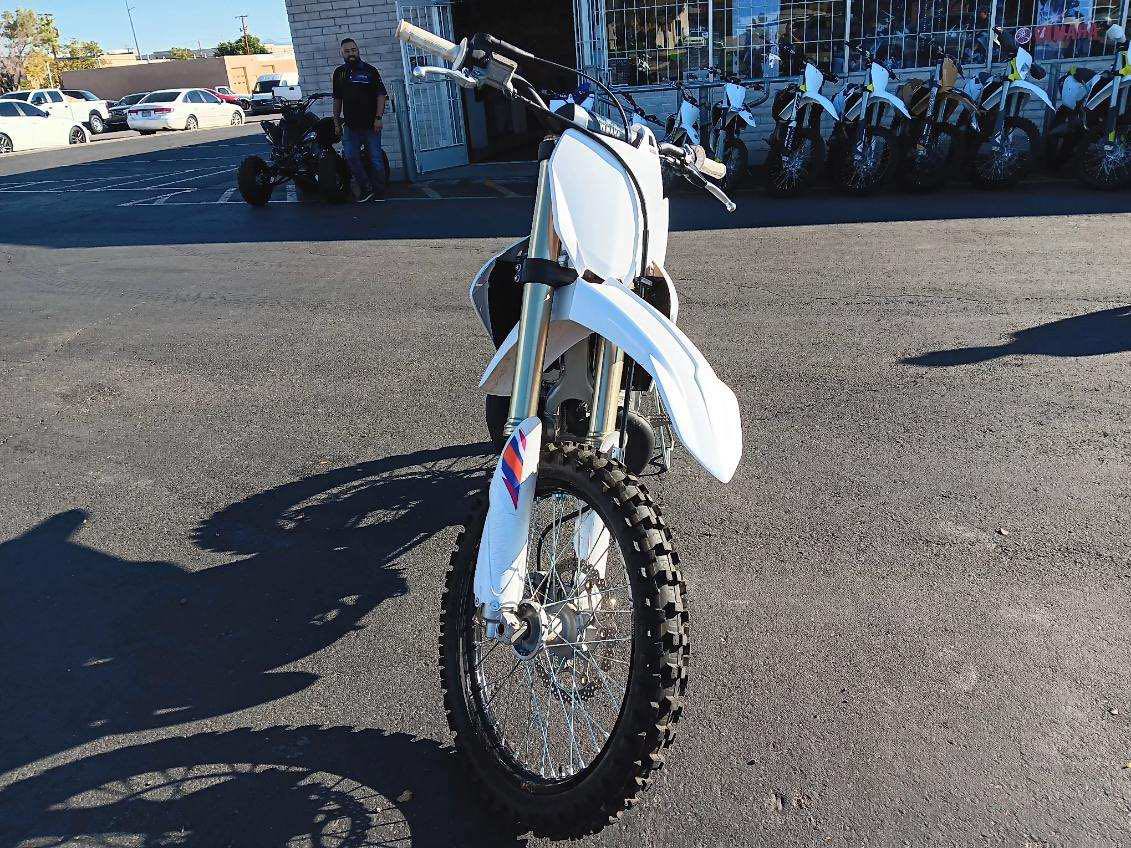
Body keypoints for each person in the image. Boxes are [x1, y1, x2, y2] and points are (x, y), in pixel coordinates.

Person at [333, 37, 387, 202]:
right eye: (347, 51)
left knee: (376, 159)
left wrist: (378, 118)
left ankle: (379, 192)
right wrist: (336, 122)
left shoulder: (370, 71)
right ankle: (366, 188)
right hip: (350, 126)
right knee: (351, 157)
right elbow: (337, 99)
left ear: (358, 51)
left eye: (354, 50)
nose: (351, 53)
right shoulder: (339, 73)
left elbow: (381, 96)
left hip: (371, 125)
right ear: (342, 53)